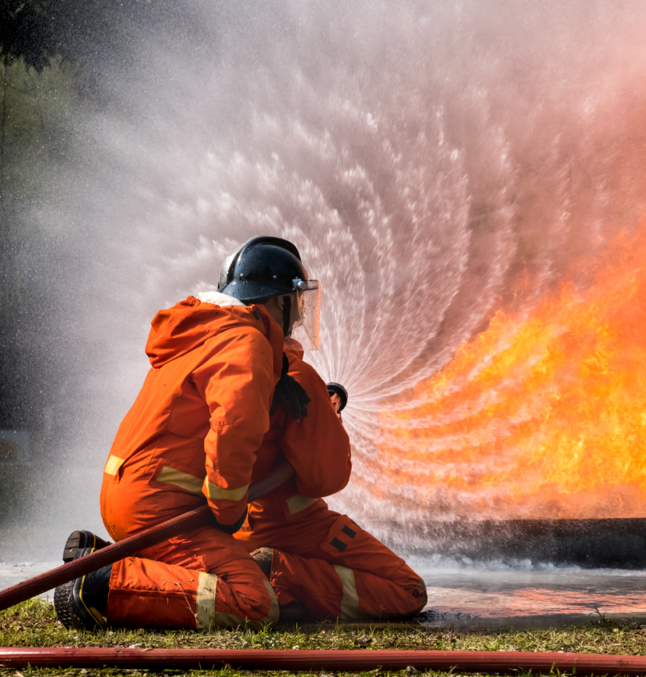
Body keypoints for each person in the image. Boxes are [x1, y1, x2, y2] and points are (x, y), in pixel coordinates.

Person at [55, 236, 320, 631]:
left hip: (126, 494)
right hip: (160, 509)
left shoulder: (207, 332)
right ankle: (99, 585)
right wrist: (229, 511)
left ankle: (102, 557)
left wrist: (275, 374)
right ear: (277, 301)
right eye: (294, 303)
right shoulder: (245, 343)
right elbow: (233, 428)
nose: (297, 318)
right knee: (256, 601)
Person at [236, 345, 427, 622]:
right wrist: (328, 424)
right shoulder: (297, 375)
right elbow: (325, 478)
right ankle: (276, 571)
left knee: (294, 604)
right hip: (302, 527)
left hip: (242, 529)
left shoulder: (225, 368)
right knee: (409, 591)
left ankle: (278, 591)